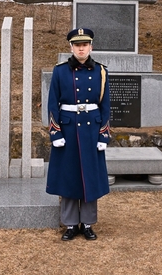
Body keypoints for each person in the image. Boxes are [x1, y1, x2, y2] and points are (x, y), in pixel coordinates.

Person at [46, 28, 111, 241]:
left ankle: (88, 224)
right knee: (69, 177)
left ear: (91, 47)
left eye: (85, 45)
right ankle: (71, 224)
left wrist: (103, 135)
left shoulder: (101, 71)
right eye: (77, 45)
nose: (81, 48)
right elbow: (52, 103)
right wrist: (55, 133)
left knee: (90, 176)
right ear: (71, 47)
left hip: (92, 130)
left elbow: (105, 106)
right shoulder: (60, 71)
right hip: (68, 129)